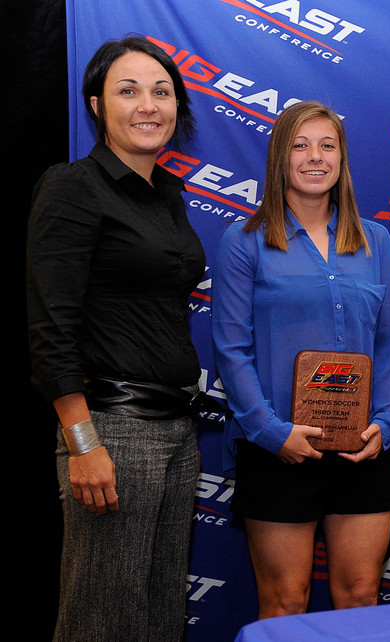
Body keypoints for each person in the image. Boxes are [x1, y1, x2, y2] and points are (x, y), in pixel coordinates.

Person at [27, 36, 204, 641]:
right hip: (112, 430)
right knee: (102, 621)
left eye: (161, 91)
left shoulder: (168, 196)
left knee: (157, 617)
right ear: (98, 106)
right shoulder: (73, 187)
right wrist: (83, 443)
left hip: (178, 429)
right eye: (128, 91)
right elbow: (51, 327)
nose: (148, 105)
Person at [212, 101, 390, 616]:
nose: (314, 157)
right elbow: (232, 349)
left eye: (327, 145)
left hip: (362, 449)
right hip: (276, 449)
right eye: (300, 145)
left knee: (361, 598)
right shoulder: (245, 242)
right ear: (280, 157)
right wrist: (272, 432)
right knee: (284, 601)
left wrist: (387, 427)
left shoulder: (376, 240)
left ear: (342, 159)